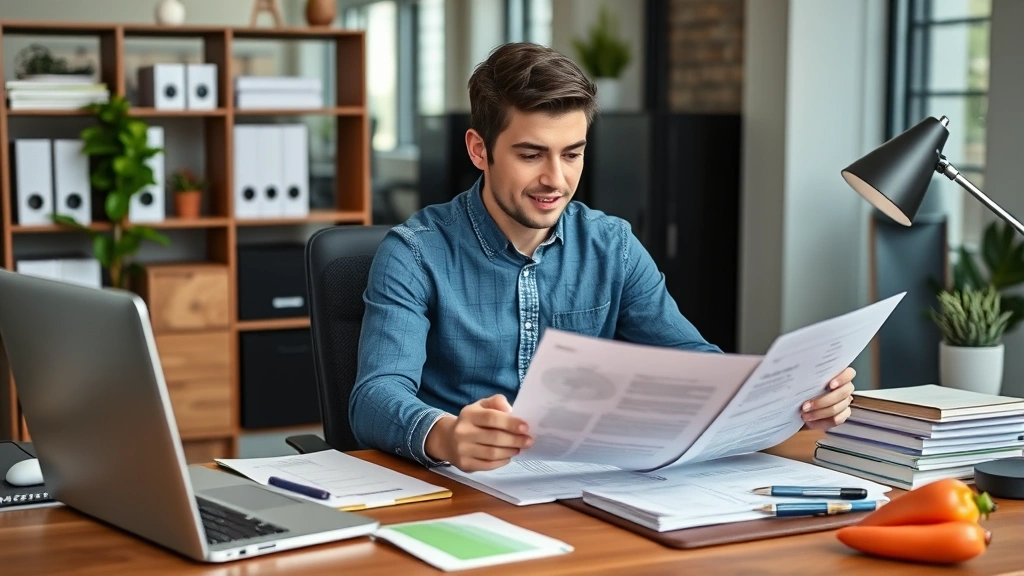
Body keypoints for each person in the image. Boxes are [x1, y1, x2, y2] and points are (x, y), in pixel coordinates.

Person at [350, 43, 855, 473]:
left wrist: (791, 400)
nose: (556, 179)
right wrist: (447, 435)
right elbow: (375, 396)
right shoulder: (414, 253)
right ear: (480, 150)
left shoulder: (611, 245)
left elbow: (693, 364)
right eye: (531, 155)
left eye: (572, 153)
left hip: (586, 488)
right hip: (460, 493)